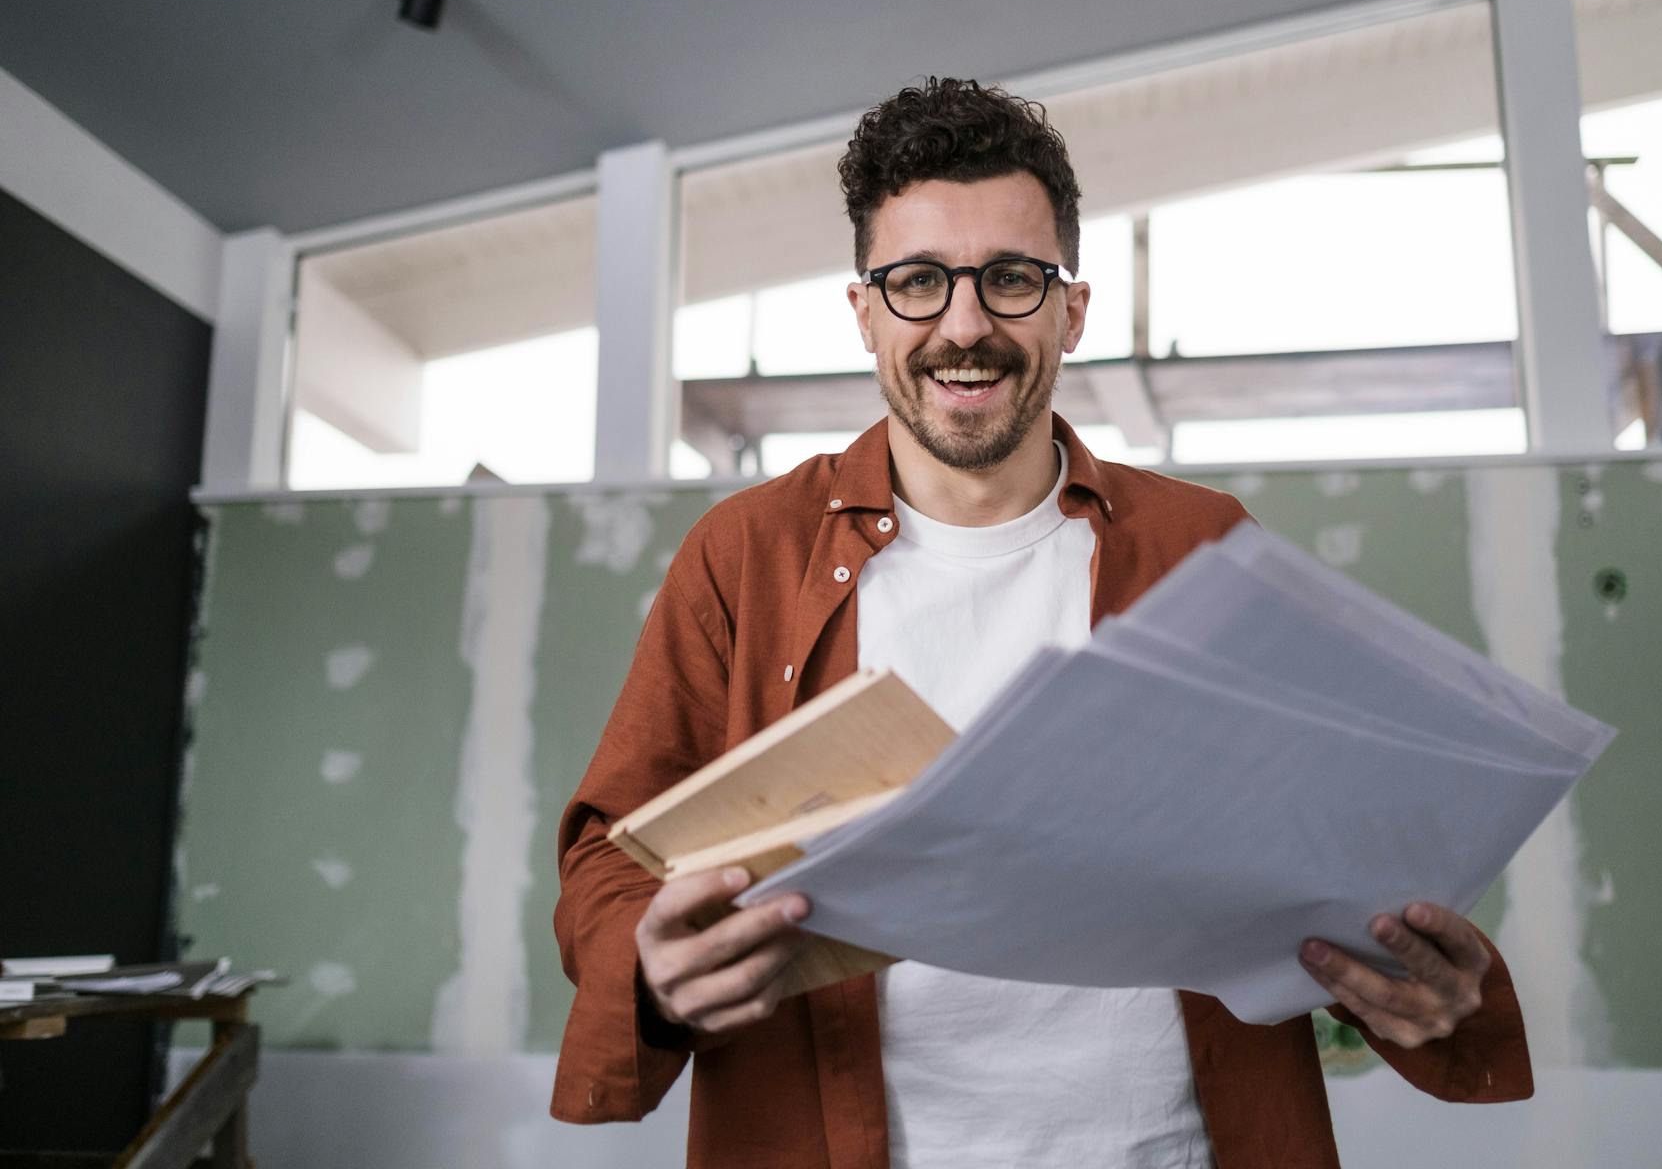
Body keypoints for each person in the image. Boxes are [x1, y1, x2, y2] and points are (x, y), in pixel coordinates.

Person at [552, 78, 1531, 1167]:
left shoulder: (1204, 543)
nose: (963, 326)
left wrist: (1410, 974)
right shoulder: (746, 553)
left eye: (1010, 279)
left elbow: (1334, 851)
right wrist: (644, 958)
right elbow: (610, 849)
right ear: (866, 310)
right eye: (918, 281)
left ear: (1070, 307)